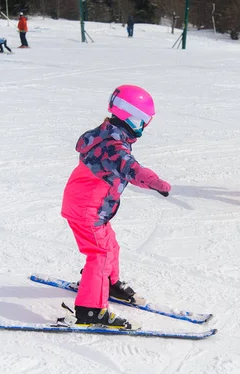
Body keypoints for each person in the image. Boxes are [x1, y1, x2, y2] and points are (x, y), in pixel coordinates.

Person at [60, 85, 171, 329]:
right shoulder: (113, 146)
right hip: (87, 209)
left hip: (93, 207)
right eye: (141, 122)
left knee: (110, 245)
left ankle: (108, 283)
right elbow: (129, 167)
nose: (142, 128)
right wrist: (154, 181)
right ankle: (90, 310)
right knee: (98, 254)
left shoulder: (107, 133)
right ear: (128, 116)